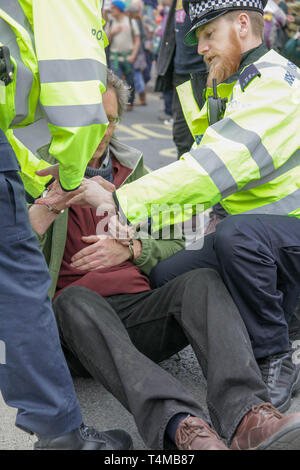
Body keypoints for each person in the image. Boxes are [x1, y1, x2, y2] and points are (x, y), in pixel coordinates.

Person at [42, 0, 300, 415]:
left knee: (228, 245)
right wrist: (58, 206)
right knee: (167, 273)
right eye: (196, 38)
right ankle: (192, 407)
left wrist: (125, 221)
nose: (200, 48)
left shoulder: (272, 87)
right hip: (256, 231)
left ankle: (272, 362)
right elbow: (191, 202)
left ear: (241, 25)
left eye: (207, 36)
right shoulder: (234, 84)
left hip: (281, 233)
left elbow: (202, 176)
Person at [0, 0, 132, 450]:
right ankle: (63, 433)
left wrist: (133, 243)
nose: (104, 130)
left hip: (136, 311)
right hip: (78, 316)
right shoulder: (47, 175)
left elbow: (187, 231)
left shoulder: (138, 172)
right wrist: (64, 186)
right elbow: (75, 91)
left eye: (111, 121)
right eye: (101, 118)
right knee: (29, 282)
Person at [154, 0, 207, 159]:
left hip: (204, 72)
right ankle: (184, 169)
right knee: (181, 134)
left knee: (204, 133)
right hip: (180, 73)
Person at [106, 0, 141, 110]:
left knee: (130, 81)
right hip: (114, 57)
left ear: (119, 9)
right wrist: (112, 33)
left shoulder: (130, 22)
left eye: (113, 8)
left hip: (128, 57)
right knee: (116, 82)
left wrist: (134, 55)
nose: (111, 10)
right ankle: (117, 104)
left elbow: (137, 40)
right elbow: (106, 40)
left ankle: (130, 102)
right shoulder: (111, 23)